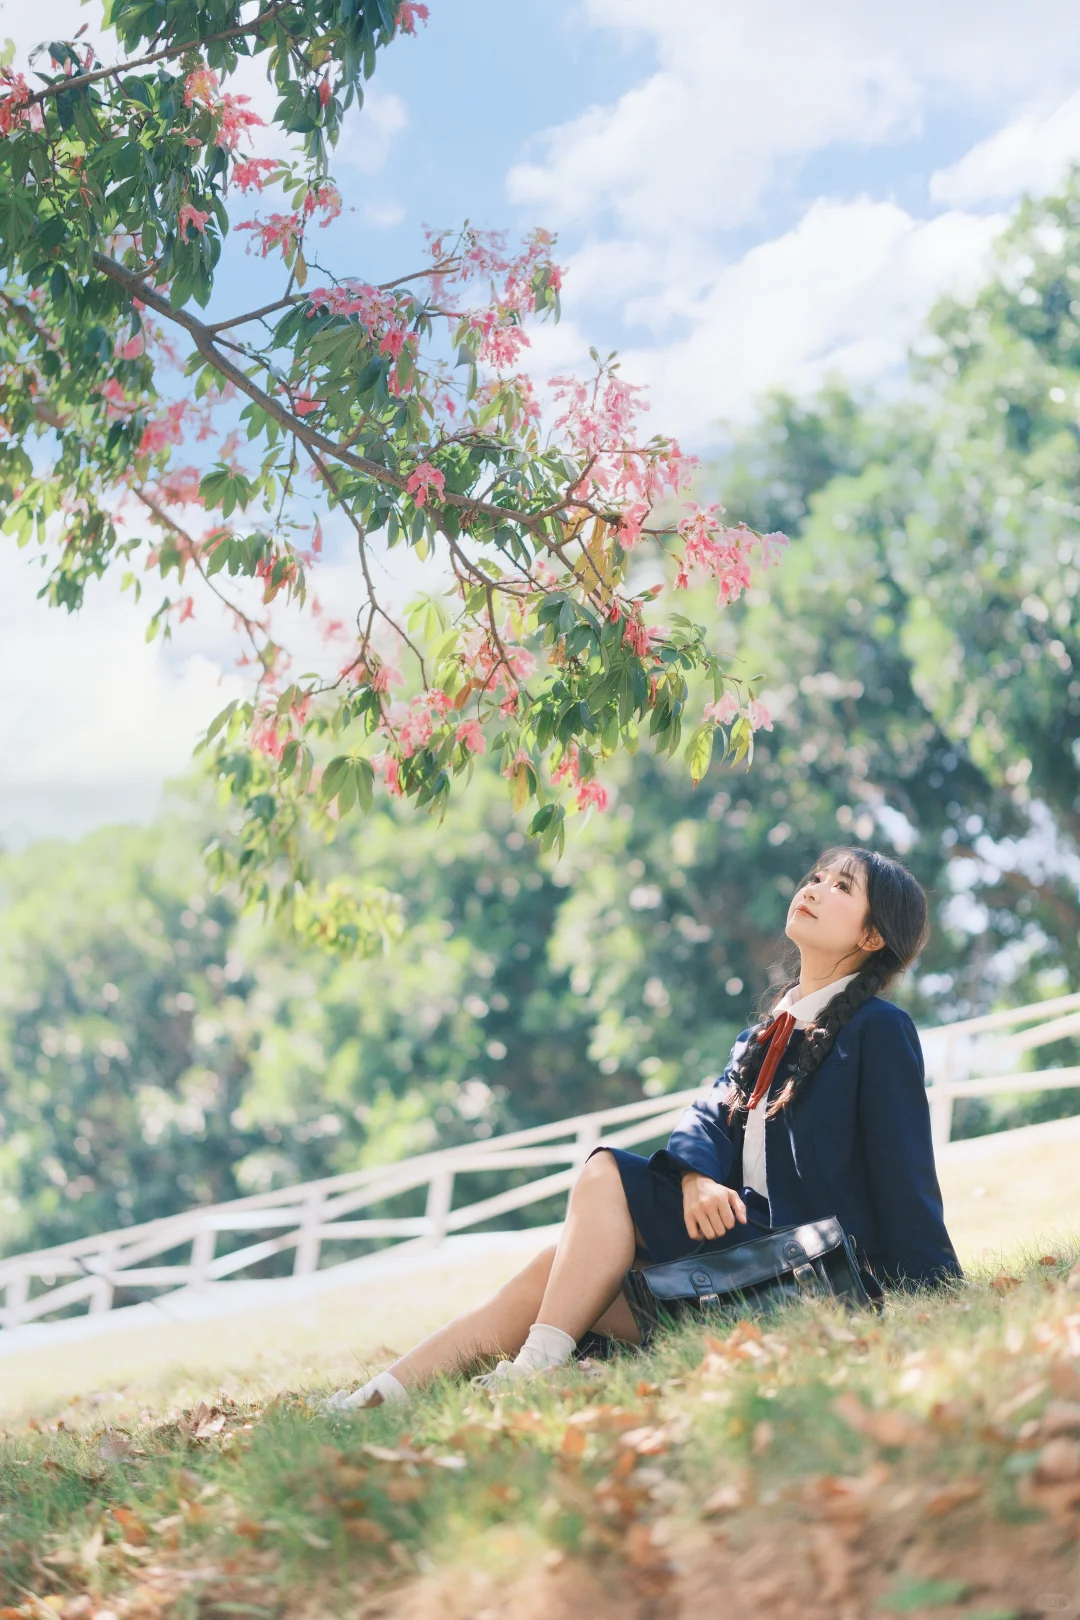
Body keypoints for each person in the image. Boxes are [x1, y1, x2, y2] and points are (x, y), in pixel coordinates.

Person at [324, 846, 961, 1411]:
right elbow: (707, 1120)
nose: (815, 888)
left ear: (874, 937)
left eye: (842, 887)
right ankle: (374, 1399)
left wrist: (939, 1295)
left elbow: (906, 1174)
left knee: (605, 1172)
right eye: (817, 877)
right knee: (561, 1270)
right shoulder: (763, 1035)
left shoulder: (878, 1030)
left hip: (818, 1282)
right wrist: (691, 1179)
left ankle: (534, 1371)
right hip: (746, 1264)